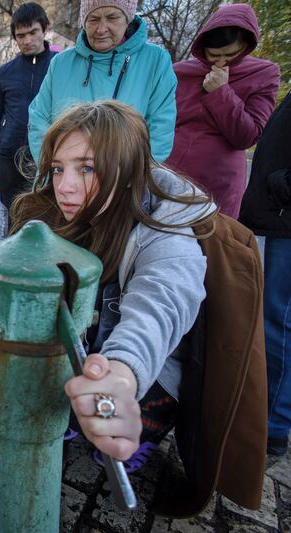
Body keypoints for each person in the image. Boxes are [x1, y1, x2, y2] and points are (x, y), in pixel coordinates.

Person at [0, 100, 216, 472]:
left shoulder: (168, 237)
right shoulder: (54, 215)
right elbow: (38, 321)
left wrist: (118, 380)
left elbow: (158, 311)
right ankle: (65, 410)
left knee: (109, 447)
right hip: (82, 344)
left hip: (149, 378)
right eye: (58, 168)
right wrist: (2, 379)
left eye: (88, 169)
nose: (64, 187)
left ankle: (146, 423)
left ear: (127, 171)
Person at [28, 0, 177, 166]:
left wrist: (127, 180)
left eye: (112, 18)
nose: (101, 29)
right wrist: (53, 170)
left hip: (123, 184)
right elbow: (38, 119)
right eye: (93, 19)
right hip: (64, 182)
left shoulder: (156, 61)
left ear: (128, 19)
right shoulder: (61, 63)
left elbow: (160, 132)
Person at [166, 3, 280, 218]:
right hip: (169, 175)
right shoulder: (179, 72)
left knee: (212, 246)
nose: (219, 62)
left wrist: (220, 92)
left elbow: (247, 136)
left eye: (230, 55)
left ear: (246, 46)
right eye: (213, 55)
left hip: (218, 185)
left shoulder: (264, 74)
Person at [240, 92, 291, 457]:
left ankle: (272, 427)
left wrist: (281, 186)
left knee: (279, 322)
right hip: (276, 217)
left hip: (285, 219)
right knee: (271, 319)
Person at [0, 3, 56, 208]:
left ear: (45, 28)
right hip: (8, 160)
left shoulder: (59, 65)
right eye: (21, 36)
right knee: (13, 222)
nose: (27, 40)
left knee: (46, 219)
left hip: (48, 157)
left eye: (33, 32)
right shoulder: (5, 73)